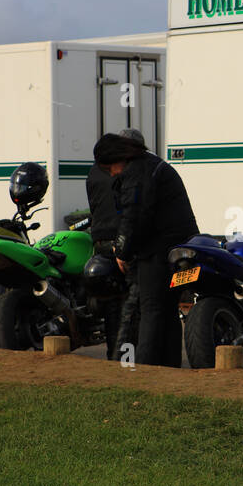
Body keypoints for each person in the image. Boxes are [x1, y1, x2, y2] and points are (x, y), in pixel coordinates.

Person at [94, 132, 199, 368]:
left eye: (109, 167)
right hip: (180, 245)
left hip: (161, 248)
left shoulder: (136, 171)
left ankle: (145, 372)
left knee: (150, 309)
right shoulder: (149, 164)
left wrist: (122, 251)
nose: (111, 173)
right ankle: (169, 368)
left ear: (117, 157)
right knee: (167, 308)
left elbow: (134, 216)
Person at [87, 127, 144, 359]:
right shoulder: (128, 171)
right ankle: (130, 358)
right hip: (123, 242)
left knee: (113, 304)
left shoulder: (94, 171)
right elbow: (131, 213)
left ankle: (116, 356)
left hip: (100, 243)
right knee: (133, 304)